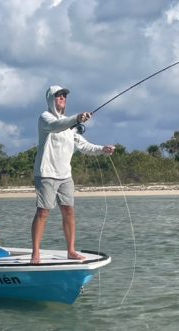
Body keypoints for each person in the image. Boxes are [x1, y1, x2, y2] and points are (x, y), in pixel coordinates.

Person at [31, 85, 115, 263]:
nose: (62, 98)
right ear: (50, 99)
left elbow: (84, 146)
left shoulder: (72, 126)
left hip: (65, 175)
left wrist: (103, 149)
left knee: (69, 211)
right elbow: (56, 126)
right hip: (46, 173)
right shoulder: (45, 118)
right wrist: (76, 118)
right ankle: (35, 253)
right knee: (43, 213)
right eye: (58, 95)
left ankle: (71, 250)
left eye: (64, 96)